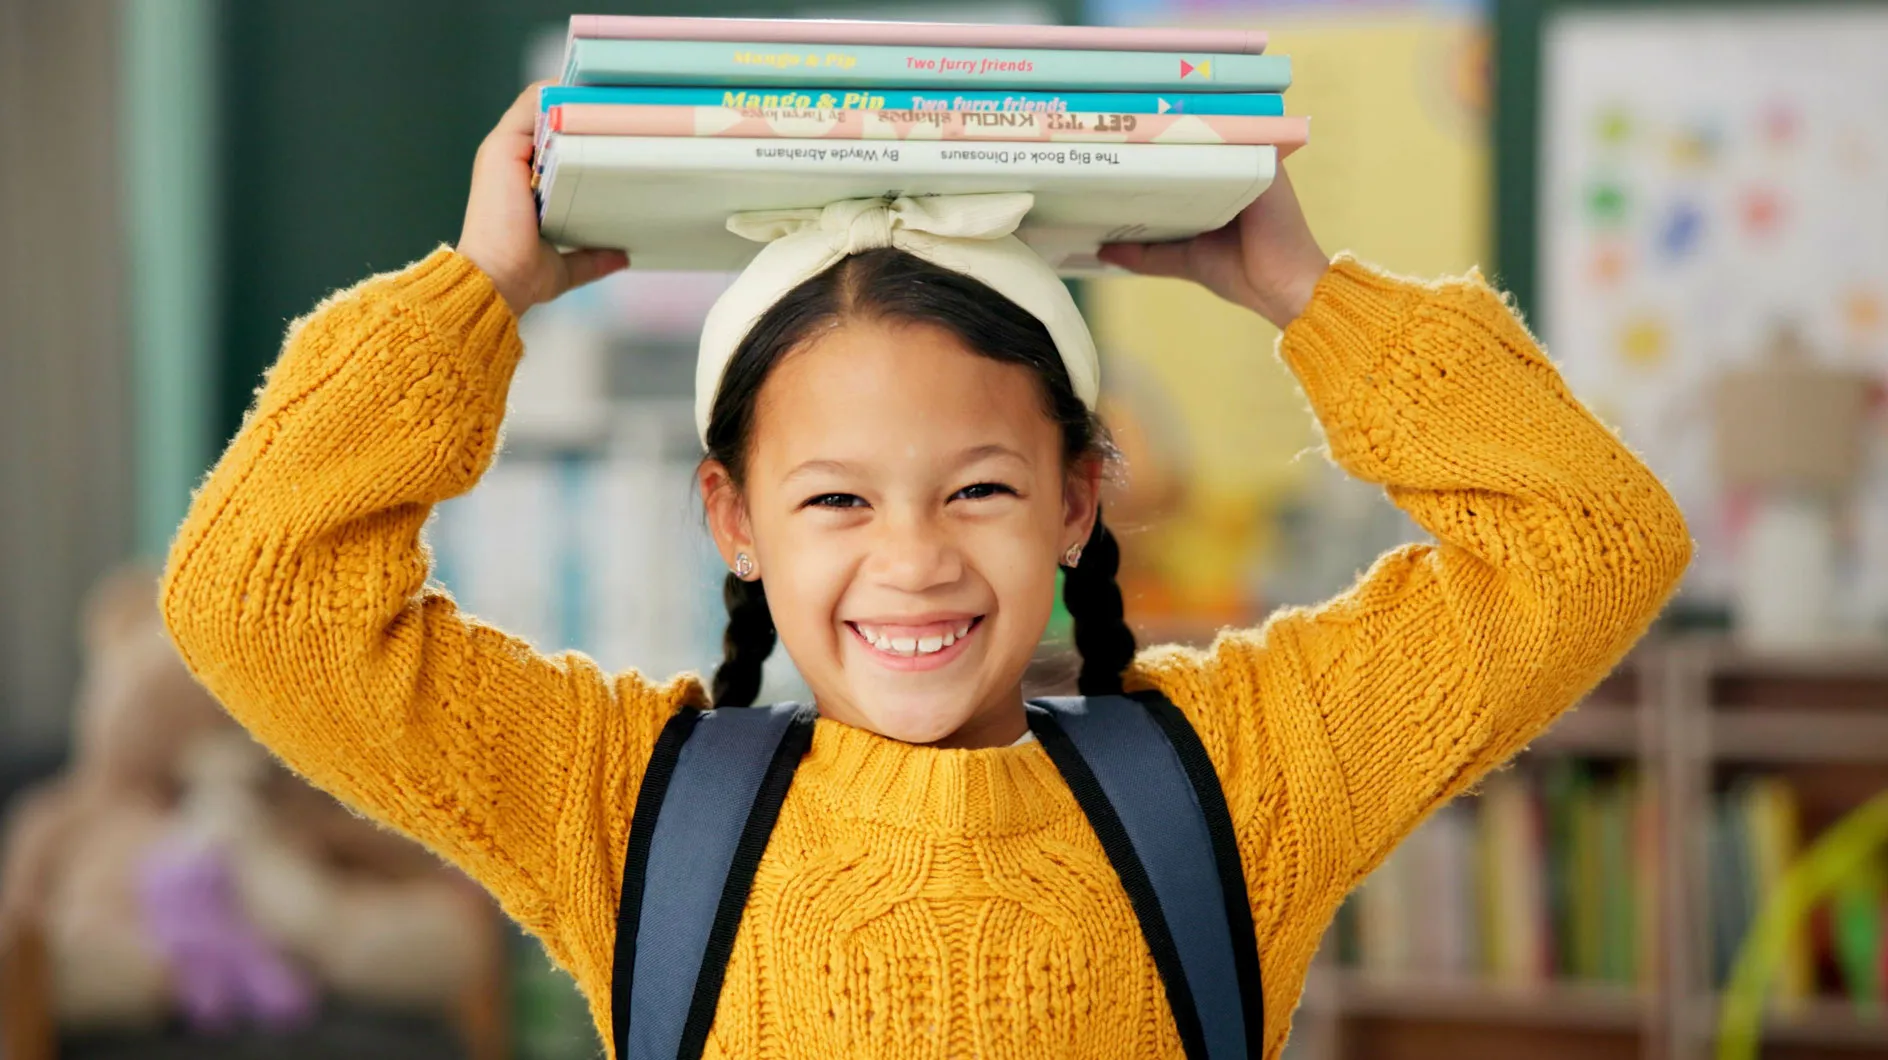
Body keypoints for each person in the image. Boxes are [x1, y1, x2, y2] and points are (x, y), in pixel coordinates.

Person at [161, 83, 1692, 1059]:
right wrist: (475, 292)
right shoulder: (620, 804)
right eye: (833, 498)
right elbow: (253, 595)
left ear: (1079, 500)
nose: (913, 562)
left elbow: (1589, 544)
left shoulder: (1244, 785)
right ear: (733, 520)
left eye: (979, 487)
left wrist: (1307, 292)